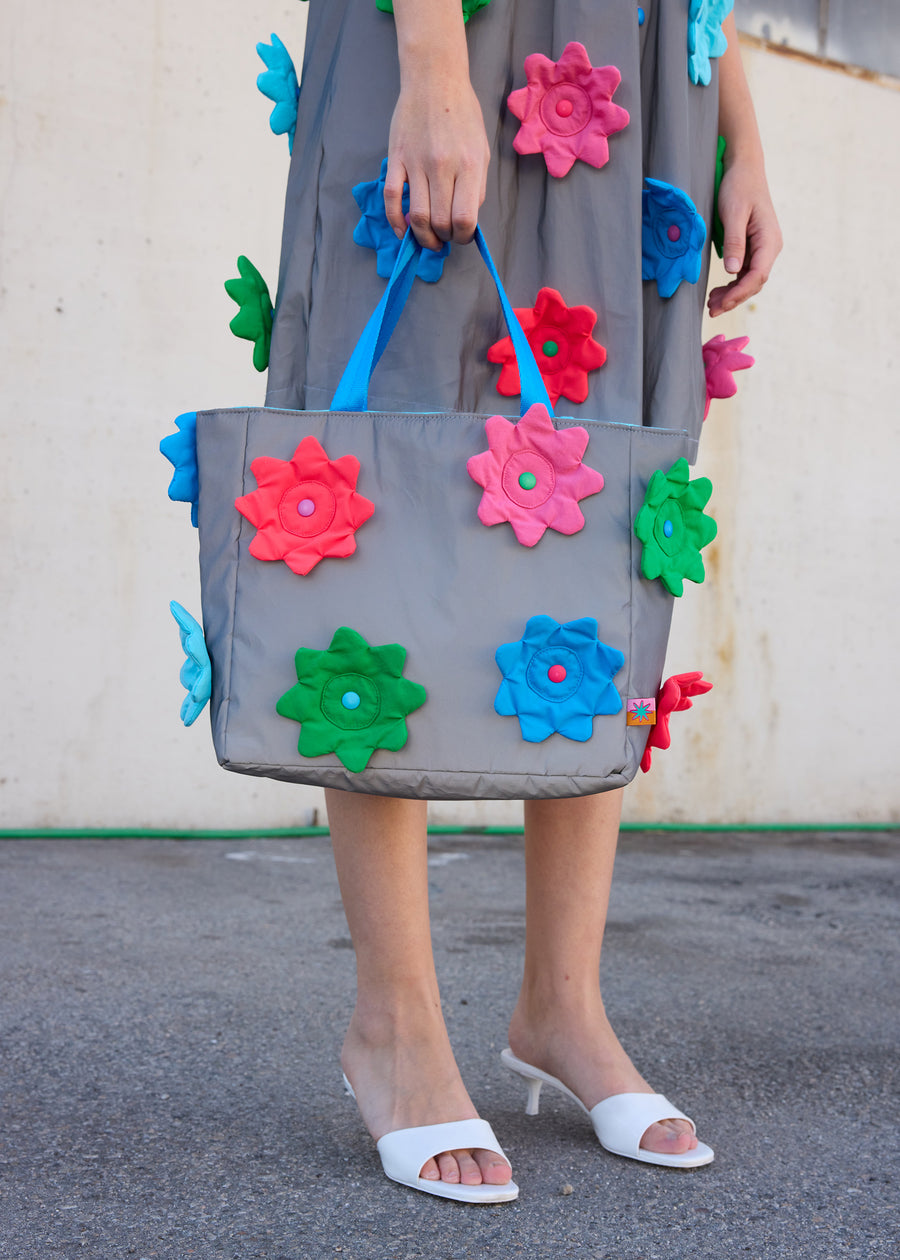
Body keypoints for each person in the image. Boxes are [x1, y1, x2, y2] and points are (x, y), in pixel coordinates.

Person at [266, 0, 781, 1203]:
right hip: (455, 32)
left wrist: (740, 130)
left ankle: (563, 1005)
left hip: (650, 64)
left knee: (602, 497)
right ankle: (394, 1026)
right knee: (388, 473)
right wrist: (431, 61)